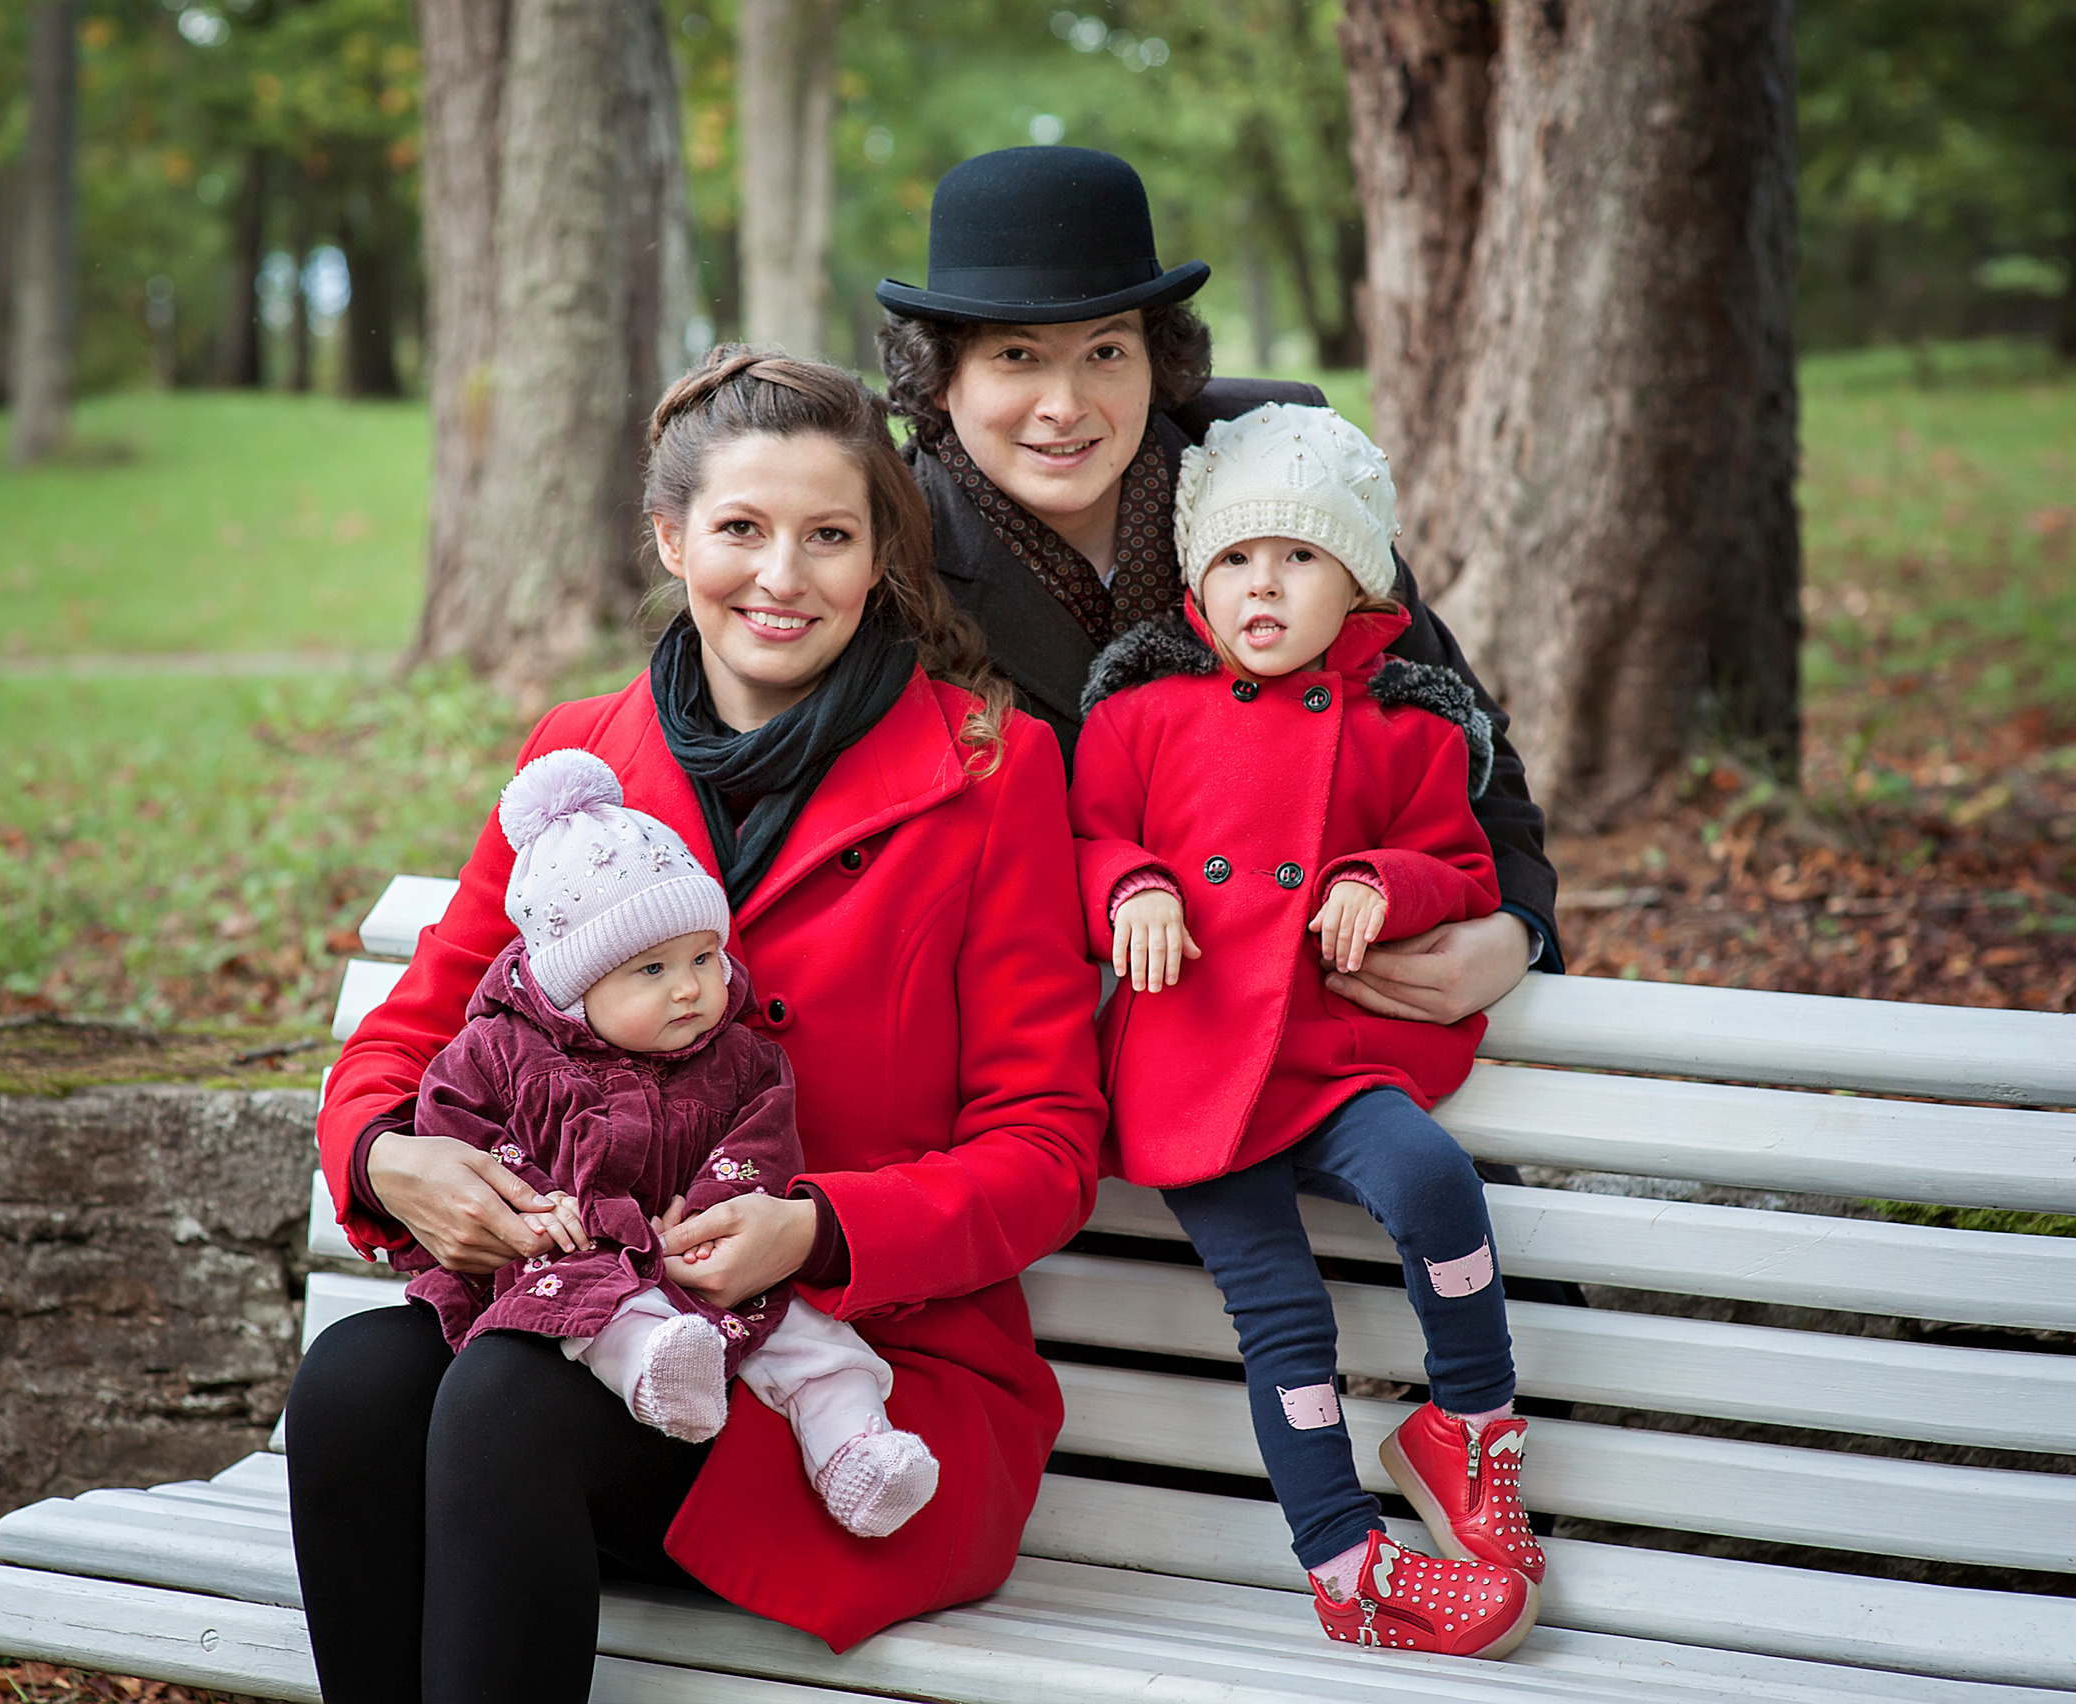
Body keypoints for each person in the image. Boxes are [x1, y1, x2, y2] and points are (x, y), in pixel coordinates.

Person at [288, 347, 1104, 1701]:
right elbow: (405, 1039)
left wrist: (819, 1229)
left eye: (829, 536)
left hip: (850, 1386)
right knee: (357, 1386)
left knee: (504, 1406)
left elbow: (1047, 1144)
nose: (782, 576)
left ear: (878, 559)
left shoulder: (988, 771)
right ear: (672, 539)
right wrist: (388, 1157)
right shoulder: (581, 761)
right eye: (741, 530)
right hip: (596, 1317)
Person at [874, 144, 1560, 1030]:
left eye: (1105, 352)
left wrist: (1513, 928)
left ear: (1156, 361)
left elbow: (1460, 734)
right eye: (1016, 356)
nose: (1065, 404)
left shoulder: (1280, 470)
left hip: (1324, 1031)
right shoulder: (887, 546)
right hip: (1025, 1037)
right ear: (941, 376)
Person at [1068, 403, 1545, 1656]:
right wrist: (1135, 886)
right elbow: (1081, 840)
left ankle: (1468, 1423)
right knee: (1283, 1323)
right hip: (1190, 1070)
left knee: (1435, 1180)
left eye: (1299, 557)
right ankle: (1343, 1561)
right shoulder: (1137, 718)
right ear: (1196, 586)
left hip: (1330, 1057)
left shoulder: (1410, 726)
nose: (1262, 583)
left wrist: (1385, 881)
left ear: (1360, 586)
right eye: (1233, 559)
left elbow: (1464, 865)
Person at [393, 747, 940, 1539]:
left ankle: (858, 1451)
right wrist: (533, 1206)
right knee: (597, 1311)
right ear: (575, 989)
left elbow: (761, 1142)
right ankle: (657, 1372)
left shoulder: (738, 1058)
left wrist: (718, 1214)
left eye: (702, 958)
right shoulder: (499, 1052)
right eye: (651, 969)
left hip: (703, 1260)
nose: (689, 988)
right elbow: (456, 1127)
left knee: (815, 1344)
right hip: (568, 1254)